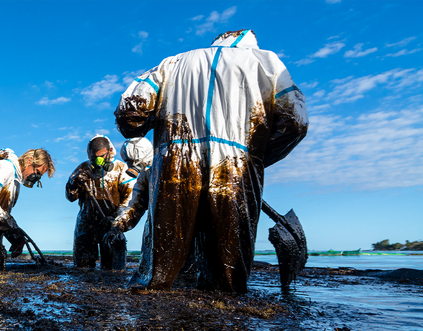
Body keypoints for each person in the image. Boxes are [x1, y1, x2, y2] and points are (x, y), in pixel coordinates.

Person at [109, 29, 308, 292]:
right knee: (227, 269)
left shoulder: (173, 63)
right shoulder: (266, 62)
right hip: (236, 165)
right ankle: (225, 312)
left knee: (158, 266)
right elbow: (296, 122)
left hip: (174, 161)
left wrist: (138, 132)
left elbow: (130, 111)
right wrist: (255, 159)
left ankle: (148, 313)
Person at [65, 135, 134, 270]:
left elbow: (129, 199)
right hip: (85, 226)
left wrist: (116, 220)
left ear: (110, 151)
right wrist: (73, 183)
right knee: (82, 269)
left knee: (114, 271)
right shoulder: (82, 168)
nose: (98, 161)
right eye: (94, 157)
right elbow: (70, 197)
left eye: (102, 156)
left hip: (111, 225)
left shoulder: (121, 169)